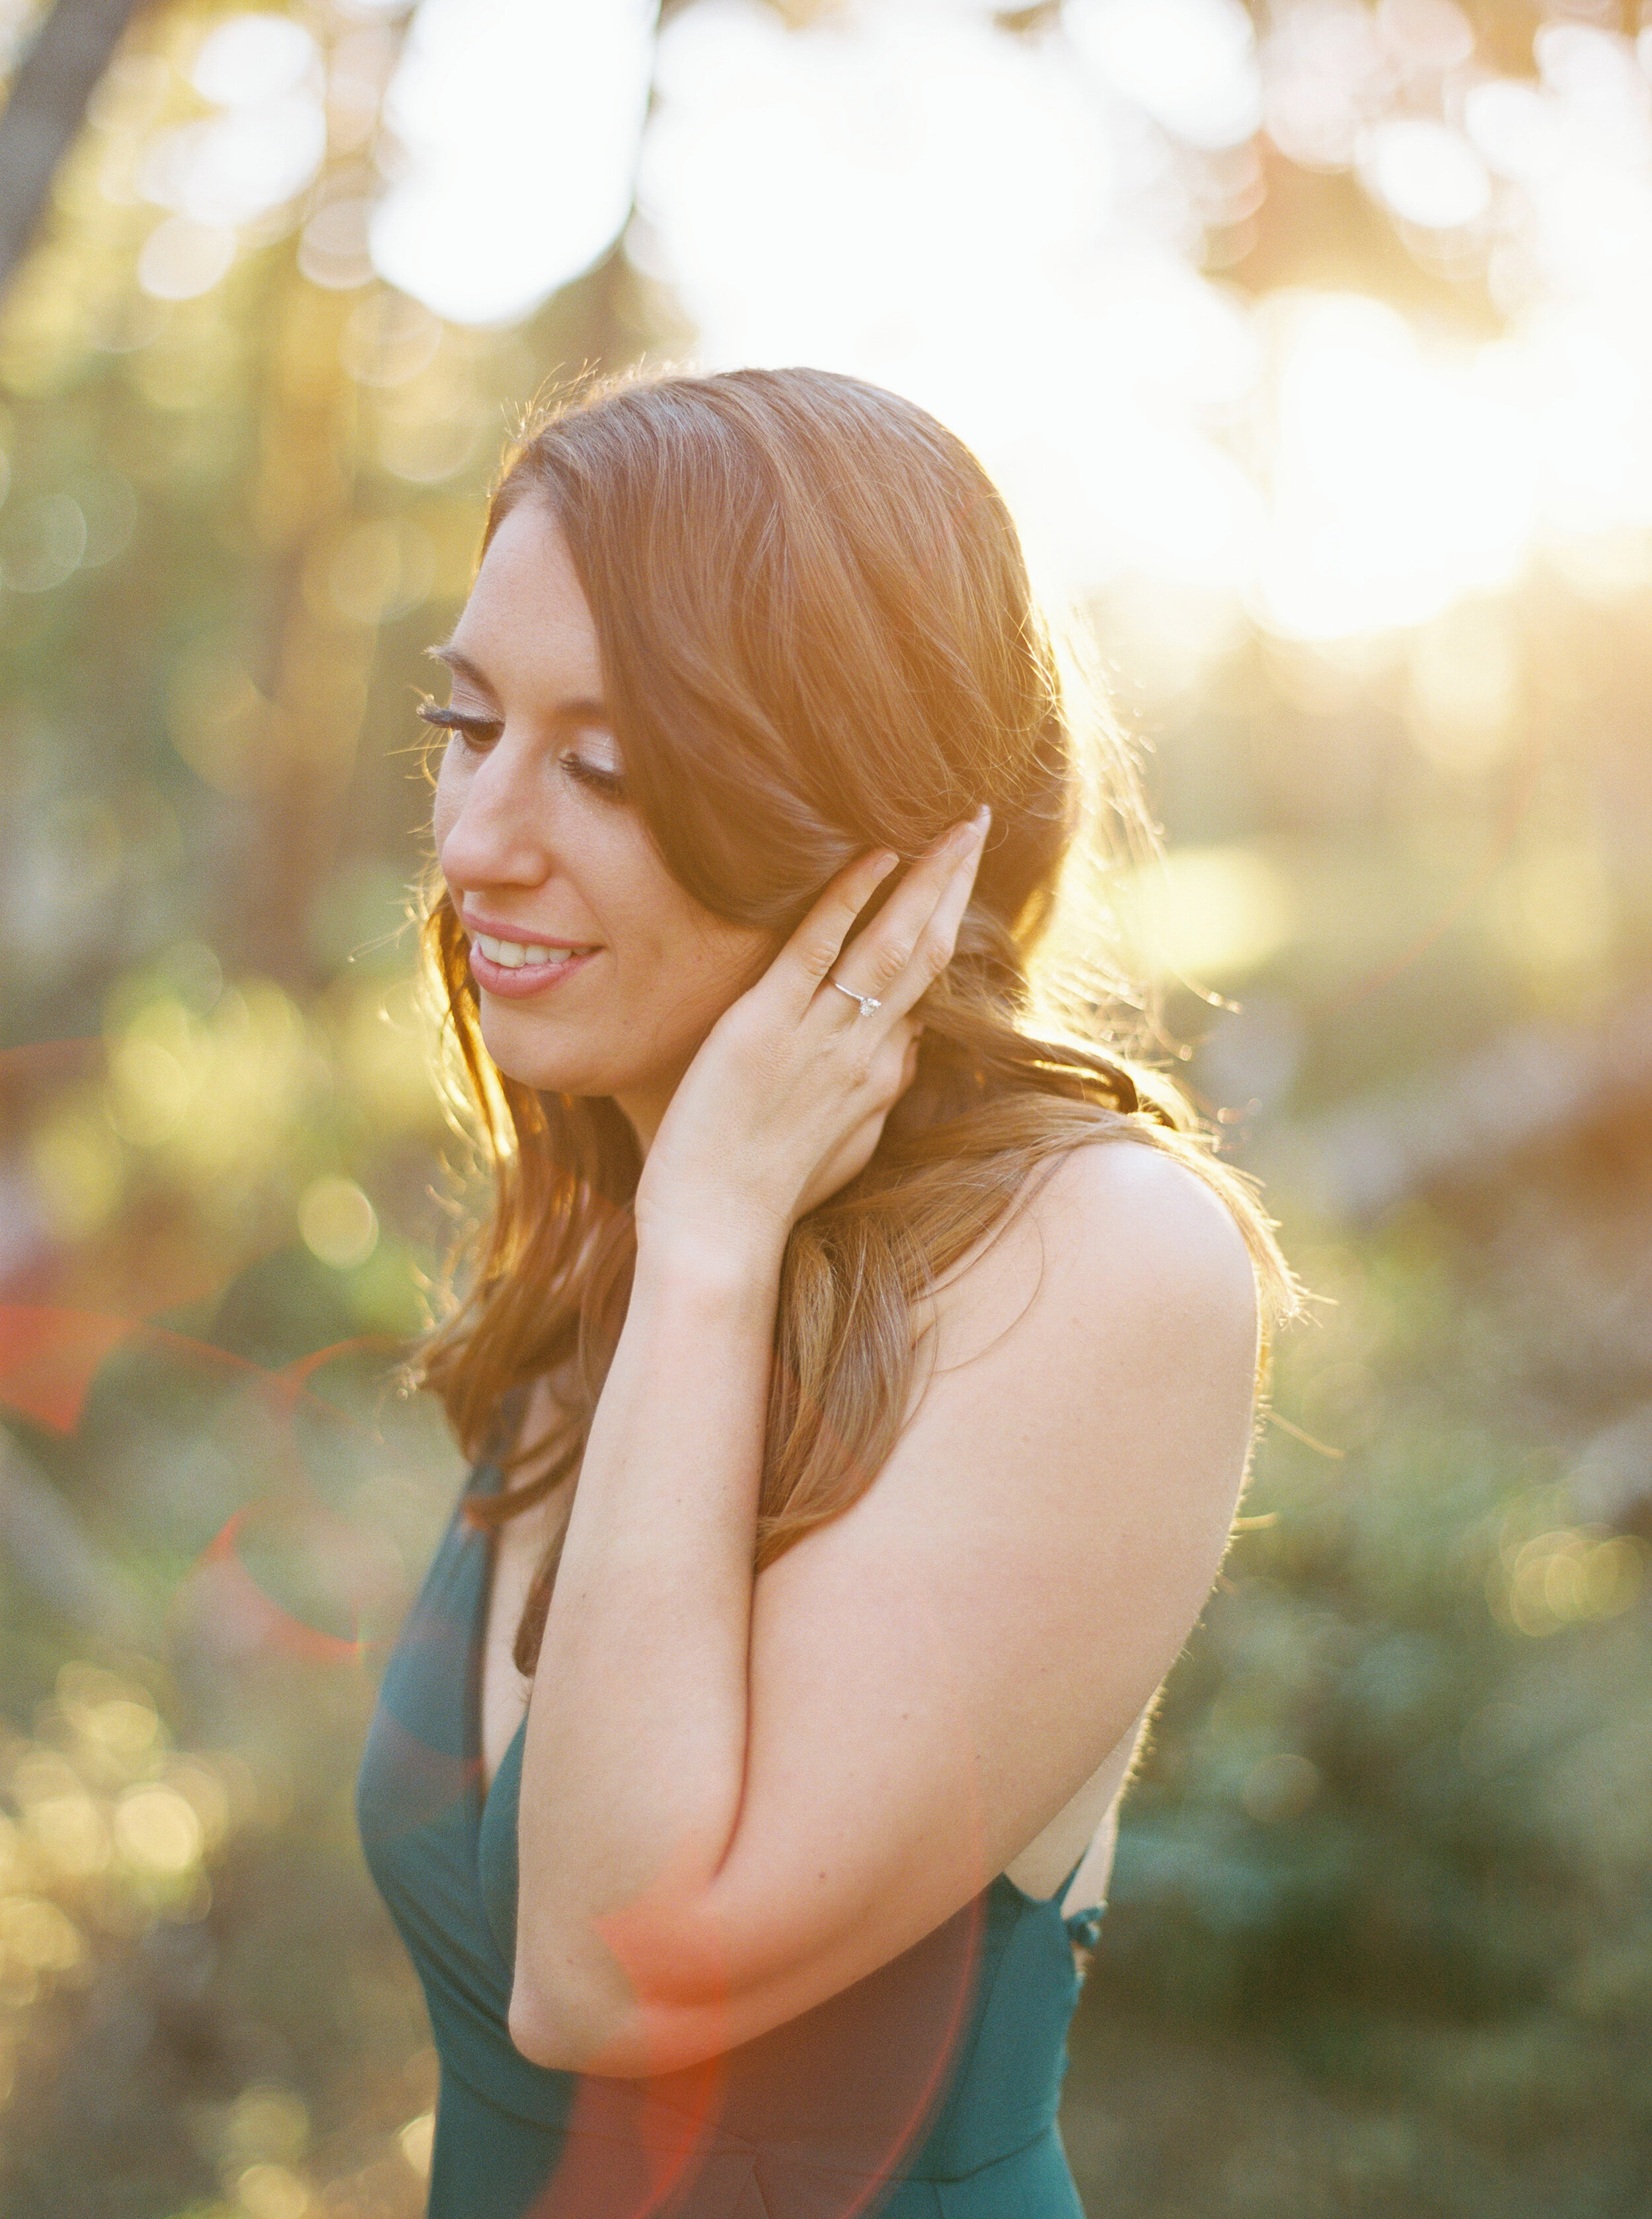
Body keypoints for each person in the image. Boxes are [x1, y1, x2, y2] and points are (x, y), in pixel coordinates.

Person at [356, 365, 1294, 2218]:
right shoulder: (611, 1237)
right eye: (468, 729)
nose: (472, 844)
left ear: (870, 825)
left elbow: (612, 1972)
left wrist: (713, 1237)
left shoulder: (1096, 1262)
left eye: (603, 765)